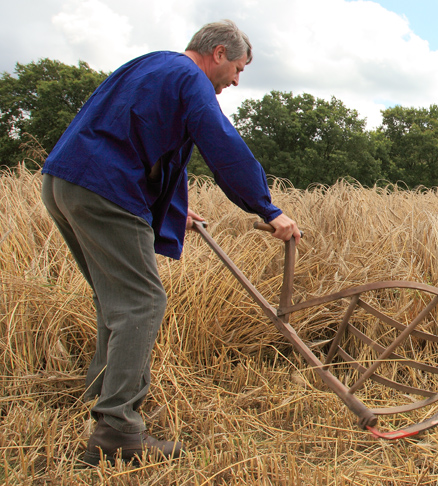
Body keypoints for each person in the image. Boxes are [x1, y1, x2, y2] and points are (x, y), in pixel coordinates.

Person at [41, 20, 301, 466]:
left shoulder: (152, 66)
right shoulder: (189, 78)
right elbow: (221, 142)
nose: (236, 81)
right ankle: (117, 429)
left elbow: (152, 143)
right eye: (238, 69)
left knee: (117, 300)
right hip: (105, 188)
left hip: (66, 182)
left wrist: (176, 211)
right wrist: (268, 208)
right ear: (218, 53)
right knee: (142, 302)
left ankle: (102, 397)